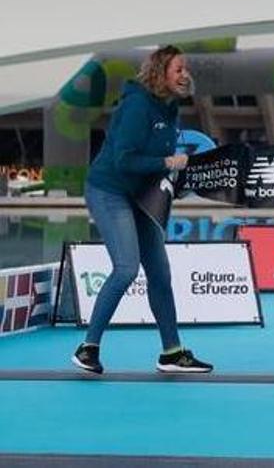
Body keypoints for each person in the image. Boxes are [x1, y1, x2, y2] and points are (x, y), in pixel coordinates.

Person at [72, 46, 213, 375]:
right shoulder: (137, 106)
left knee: (160, 273)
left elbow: (157, 159)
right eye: (178, 69)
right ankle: (87, 348)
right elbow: (125, 160)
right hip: (109, 191)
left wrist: (173, 177)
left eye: (185, 69)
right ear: (160, 73)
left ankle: (172, 353)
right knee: (125, 269)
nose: (185, 75)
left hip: (142, 194)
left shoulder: (170, 107)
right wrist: (166, 162)